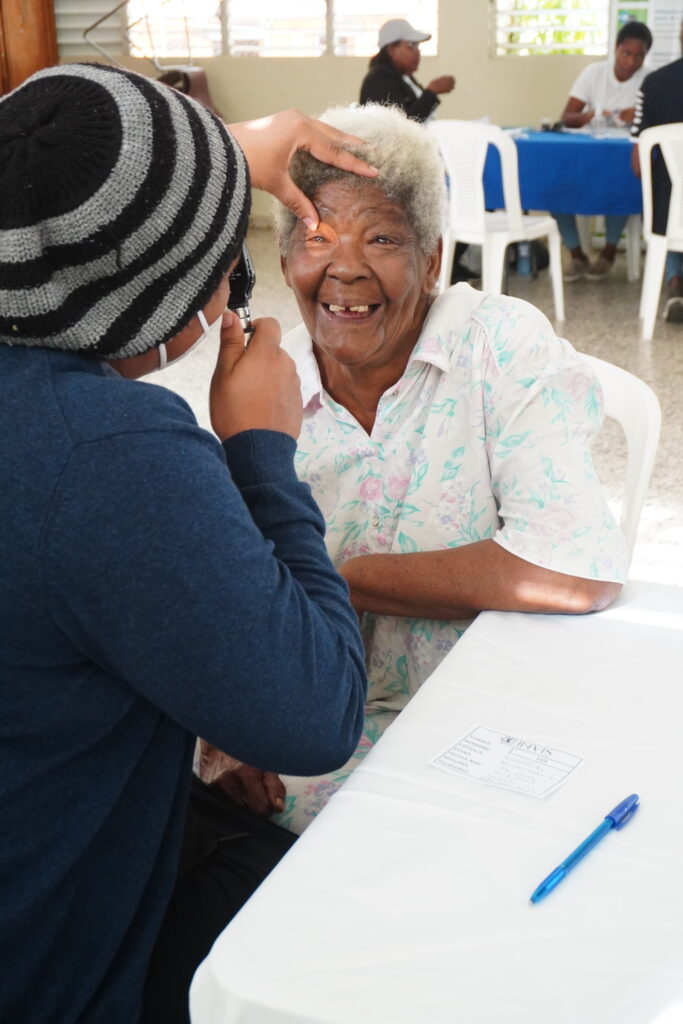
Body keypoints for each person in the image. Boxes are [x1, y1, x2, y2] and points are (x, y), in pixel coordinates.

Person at [0, 63, 375, 1024]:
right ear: (187, 311)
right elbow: (314, 715)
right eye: (228, 265)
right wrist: (260, 452)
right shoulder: (108, 457)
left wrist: (218, 155)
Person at [257, 103, 626, 834]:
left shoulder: (495, 346)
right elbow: (232, 600)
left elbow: (571, 566)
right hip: (323, 731)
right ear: (283, 261)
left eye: (382, 236)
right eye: (315, 235)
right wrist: (242, 727)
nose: (344, 266)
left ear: (431, 260)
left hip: (491, 727)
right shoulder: (268, 389)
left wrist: (347, 579)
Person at [554, 20, 653, 281]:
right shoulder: (594, 73)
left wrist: (639, 116)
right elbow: (566, 116)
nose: (632, 61)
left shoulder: (650, 80)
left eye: (639, 56)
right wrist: (594, 116)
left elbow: (656, 124)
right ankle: (576, 253)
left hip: (622, 157)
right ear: (616, 48)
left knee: (622, 186)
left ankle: (608, 253)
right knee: (554, 184)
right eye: (626, 53)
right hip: (588, 154)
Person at [631, 18, 683, 323]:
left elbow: (638, 165)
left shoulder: (653, 83)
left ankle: (675, 282)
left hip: (669, 218)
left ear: (679, 38)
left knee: (670, 191)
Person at [359, 18, 455, 124]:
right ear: (392, 50)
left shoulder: (403, 76)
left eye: (418, 46)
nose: (418, 52)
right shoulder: (379, 79)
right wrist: (432, 91)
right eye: (412, 45)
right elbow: (403, 124)